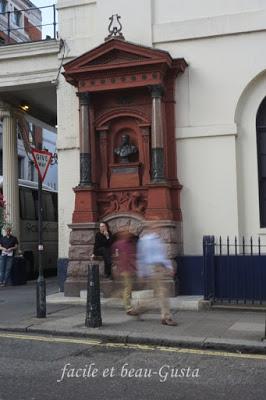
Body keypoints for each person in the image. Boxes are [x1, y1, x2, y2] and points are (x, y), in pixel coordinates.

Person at [136, 223, 177, 326]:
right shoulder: (144, 241)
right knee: (163, 292)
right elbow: (141, 257)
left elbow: (162, 255)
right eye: (155, 226)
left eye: (159, 226)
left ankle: (138, 309)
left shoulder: (158, 240)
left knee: (157, 295)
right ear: (150, 228)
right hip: (151, 268)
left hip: (160, 268)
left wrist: (169, 267)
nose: (158, 228)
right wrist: (141, 272)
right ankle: (166, 317)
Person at [112, 228, 138, 316]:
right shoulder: (118, 244)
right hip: (125, 269)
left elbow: (131, 257)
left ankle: (118, 295)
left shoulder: (130, 244)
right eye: (126, 233)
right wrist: (117, 268)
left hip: (129, 269)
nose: (128, 234)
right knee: (128, 288)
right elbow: (117, 257)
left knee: (127, 288)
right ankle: (128, 308)